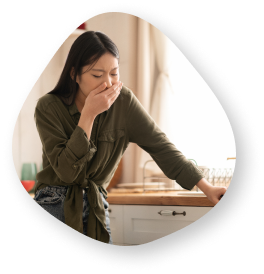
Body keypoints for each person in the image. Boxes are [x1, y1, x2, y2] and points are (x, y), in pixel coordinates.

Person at [33, 30, 227, 245]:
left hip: (97, 201)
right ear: (74, 74)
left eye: (114, 73)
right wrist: (89, 114)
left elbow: (160, 146)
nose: (107, 83)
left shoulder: (124, 101)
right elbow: (67, 172)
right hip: (55, 201)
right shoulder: (48, 106)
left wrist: (207, 188)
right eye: (97, 75)